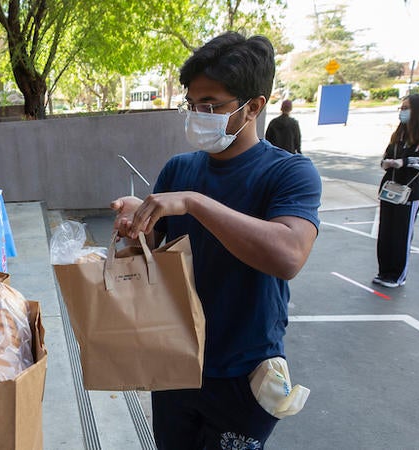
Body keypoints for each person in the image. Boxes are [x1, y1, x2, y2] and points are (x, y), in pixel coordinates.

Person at [111, 32, 322, 449]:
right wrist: (138, 224)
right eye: (192, 104)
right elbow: (153, 253)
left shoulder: (289, 174)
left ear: (254, 107)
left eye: (210, 105)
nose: (198, 114)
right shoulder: (179, 169)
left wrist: (194, 203)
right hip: (175, 358)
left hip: (243, 370)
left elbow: (288, 255)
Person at [375, 94, 419, 288]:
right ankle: (384, 270)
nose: (402, 112)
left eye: (406, 108)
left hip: (409, 190)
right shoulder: (399, 133)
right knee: (386, 231)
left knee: (401, 234)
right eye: (401, 108)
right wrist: (387, 163)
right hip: (390, 187)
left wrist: (406, 162)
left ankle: (397, 274)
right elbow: (387, 155)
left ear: (418, 110)